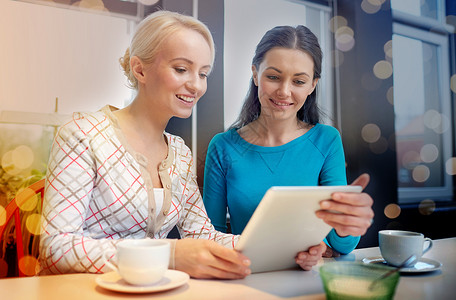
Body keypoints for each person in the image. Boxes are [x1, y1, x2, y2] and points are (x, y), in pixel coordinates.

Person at [39, 10, 251, 279]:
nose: (196, 85)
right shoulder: (82, 135)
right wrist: (170, 254)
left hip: (152, 291)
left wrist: (277, 246)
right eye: (181, 69)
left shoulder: (179, 152)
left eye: (203, 73)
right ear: (140, 69)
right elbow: (55, 247)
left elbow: (202, 236)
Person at [203, 25, 374, 270]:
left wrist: (343, 224)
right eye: (273, 77)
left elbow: (343, 245)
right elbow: (209, 236)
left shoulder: (326, 141)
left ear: (312, 85)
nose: (284, 91)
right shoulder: (223, 147)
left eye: (299, 81)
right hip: (244, 277)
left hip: (308, 279)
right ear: (255, 74)